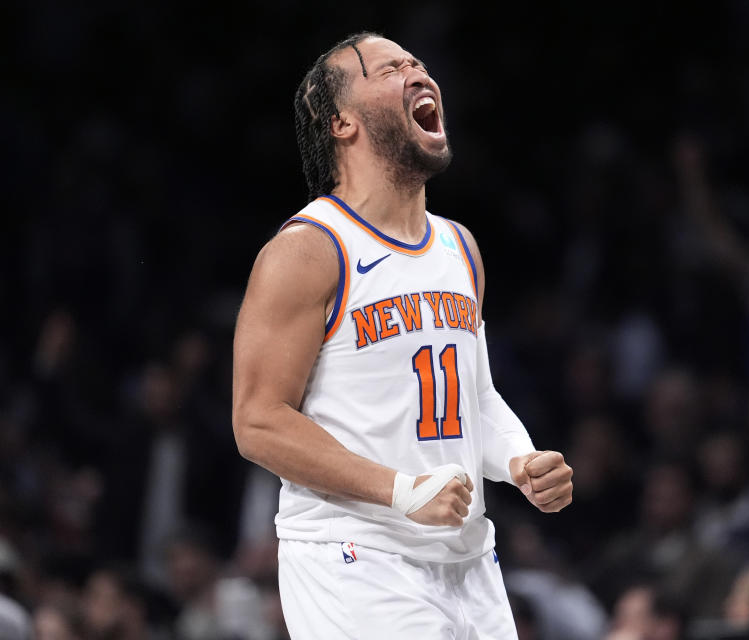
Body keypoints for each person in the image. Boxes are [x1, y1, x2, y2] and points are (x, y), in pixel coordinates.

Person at [231, 32, 574, 639]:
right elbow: (257, 420)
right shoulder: (310, 249)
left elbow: (474, 397)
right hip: (354, 556)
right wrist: (400, 491)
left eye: (416, 62)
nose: (416, 71)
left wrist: (520, 459)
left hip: (468, 558)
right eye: (389, 69)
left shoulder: (459, 246)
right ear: (340, 123)